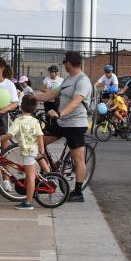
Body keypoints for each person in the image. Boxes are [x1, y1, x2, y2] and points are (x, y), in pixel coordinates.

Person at [32, 51, 93, 203]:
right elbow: (53, 94)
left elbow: (76, 102)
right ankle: (46, 174)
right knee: (37, 143)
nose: (63, 65)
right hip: (62, 123)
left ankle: (78, 192)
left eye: (64, 62)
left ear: (69, 63)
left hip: (75, 124)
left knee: (78, 158)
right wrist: (33, 97)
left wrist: (60, 113)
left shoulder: (83, 80)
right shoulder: (68, 80)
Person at [0, 95, 49, 210]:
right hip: (32, 150)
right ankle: (44, 180)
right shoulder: (35, 121)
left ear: (21, 107)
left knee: (30, 177)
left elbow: (10, 134)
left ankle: (29, 202)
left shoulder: (18, 121)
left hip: (28, 152)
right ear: (34, 109)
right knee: (30, 174)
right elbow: (40, 136)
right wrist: (42, 150)